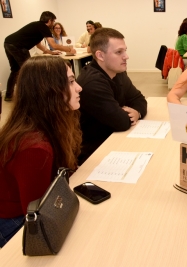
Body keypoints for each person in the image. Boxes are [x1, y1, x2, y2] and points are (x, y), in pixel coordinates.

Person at [0, 56, 82, 248]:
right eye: (71, 82)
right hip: (14, 222)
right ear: (49, 91)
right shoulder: (34, 148)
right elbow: (38, 217)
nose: (79, 87)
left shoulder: (51, 123)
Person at [77, 28, 147, 165]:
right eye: (119, 52)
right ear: (100, 56)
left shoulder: (117, 71)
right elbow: (121, 122)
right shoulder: (92, 83)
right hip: (95, 152)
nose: (126, 56)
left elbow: (139, 99)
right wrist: (127, 114)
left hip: (115, 137)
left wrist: (137, 112)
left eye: (125, 50)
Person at [3, 11, 77, 101]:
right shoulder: (43, 27)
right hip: (18, 46)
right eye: (53, 22)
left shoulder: (36, 26)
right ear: (49, 21)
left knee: (15, 70)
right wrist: (69, 49)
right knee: (29, 71)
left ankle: (8, 95)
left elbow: (39, 45)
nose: (53, 24)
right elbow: (54, 45)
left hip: (8, 43)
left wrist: (50, 52)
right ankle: (32, 97)